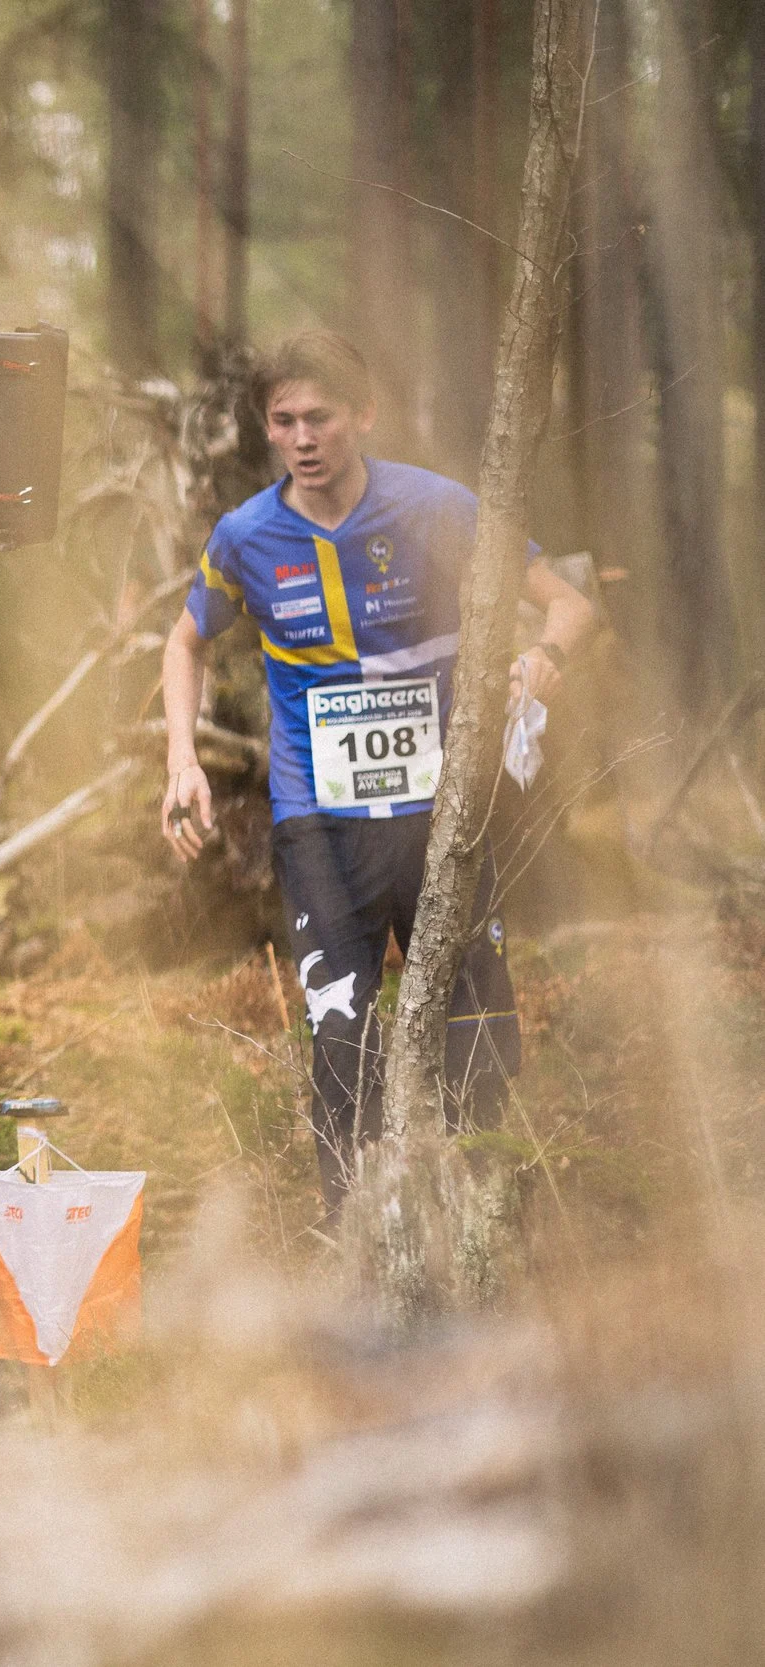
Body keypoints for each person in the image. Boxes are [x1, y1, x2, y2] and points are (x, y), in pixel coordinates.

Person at [159, 330, 594, 1219]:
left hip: (445, 811)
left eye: (320, 416)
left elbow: (570, 604)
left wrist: (544, 655)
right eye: (284, 421)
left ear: (364, 415)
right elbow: (184, 638)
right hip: (318, 818)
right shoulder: (248, 536)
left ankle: (481, 1224)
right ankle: (358, 1233)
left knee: (477, 1027)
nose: (303, 437)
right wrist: (182, 759)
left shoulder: (435, 507)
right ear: (269, 430)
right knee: (341, 1028)